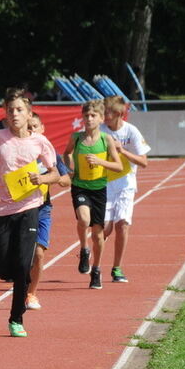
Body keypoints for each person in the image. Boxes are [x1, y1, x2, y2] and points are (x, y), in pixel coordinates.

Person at [0, 91, 59, 337]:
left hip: (29, 208)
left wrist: (42, 178)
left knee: (24, 264)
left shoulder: (40, 142)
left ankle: (16, 318)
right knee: (4, 268)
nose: (14, 114)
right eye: (10, 110)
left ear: (29, 113)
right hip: (1, 209)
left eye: (19, 110)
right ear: (5, 111)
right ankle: (12, 277)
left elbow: (56, 173)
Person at [63, 99, 122, 289]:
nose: (89, 119)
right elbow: (66, 154)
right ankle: (84, 249)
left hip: (99, 189)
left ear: (101, 118)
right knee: (83, 220)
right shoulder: (76, 138)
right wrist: (70, 170)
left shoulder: (107, 139)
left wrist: (100, 162)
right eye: (86, 115)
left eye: (93, 115)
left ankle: (96, 270)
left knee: (98, 234)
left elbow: (118, 165)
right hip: (80, 186)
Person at [101, 95, 150, 283]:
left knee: (122, 224)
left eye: (109, 112)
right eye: (104, 111)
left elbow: (144, 162)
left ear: (120, 114)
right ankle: (93, 259)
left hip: (125, 185)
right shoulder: (100, 130)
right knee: (104, 229)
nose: (105, 115)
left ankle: (117, 268)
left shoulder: (132, 131)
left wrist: (122, 151)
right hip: (104, 184)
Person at [25, 112, 71, 310]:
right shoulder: (18, 153)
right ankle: (22, 282)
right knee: (20, 256)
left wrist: (52, 178)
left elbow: (66, 179)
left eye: (34, 126)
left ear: (42, 128)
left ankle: (31, 293)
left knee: (39, 253)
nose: (31, 130)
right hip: (21, 209)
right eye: (28, 127)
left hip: (43, 208)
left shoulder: (50, 154)